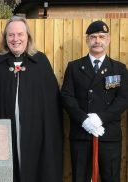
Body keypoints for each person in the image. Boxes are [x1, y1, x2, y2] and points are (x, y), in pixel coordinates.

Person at [0, 16, 63, 182]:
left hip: (34, 132)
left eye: (20, 34)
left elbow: (51, 104)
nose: (15, 39)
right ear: (5, 38)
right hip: (1, 135)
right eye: (11, 35)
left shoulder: (40, 61)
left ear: (28, 37)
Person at [61, 20, 128, 182]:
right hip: (82, 133)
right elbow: (67, 97)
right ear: (87, 40)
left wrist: (100, 118)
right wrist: (84, 120)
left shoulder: (118, 68)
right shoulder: (74, 67)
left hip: (108, 133)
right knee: (80, 177)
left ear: (108, 40)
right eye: (93, 37)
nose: (97, 40)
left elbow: (123, 98)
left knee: (110, 177)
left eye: (101, 36)